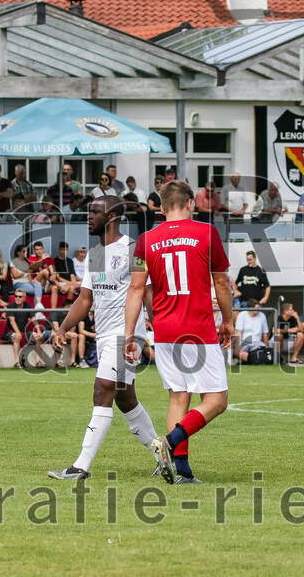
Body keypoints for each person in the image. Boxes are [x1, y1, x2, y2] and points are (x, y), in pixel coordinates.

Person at [125, 181, 234, 485]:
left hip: (164, 331)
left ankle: (181, 471)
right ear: (190, 205)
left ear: (160, 208)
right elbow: (222, 283)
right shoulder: (206, 233)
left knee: (179, 396)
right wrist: (228, 321)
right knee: (217, 400)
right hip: (198, 329)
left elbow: (136, 288)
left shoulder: (145, 241)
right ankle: (170, 442)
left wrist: (129, 333)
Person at [47, 195, 163, 480]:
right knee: (125, 399)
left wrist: (156, 334)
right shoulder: (94, 254)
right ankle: (165, 457)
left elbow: (146, 293)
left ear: (111, 216)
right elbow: (85, 300)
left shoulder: (133, 249)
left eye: (94, 212)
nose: (88, 216)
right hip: (105, 337)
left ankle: (80, 467)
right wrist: (63, 328)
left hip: (126, 337)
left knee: (102, 390)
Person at [4, 289, 47, 368]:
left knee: (39, 337)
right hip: (10, 331)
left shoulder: (28, 306)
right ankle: (17, 362)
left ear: (24, 298)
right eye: (16, 296)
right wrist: (18, 333)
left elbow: (33, 319)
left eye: (20, 296)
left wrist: (38, 331)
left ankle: (38, 361)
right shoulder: (11, 306)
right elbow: (12, 321)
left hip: (24, 331)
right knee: (17, 337)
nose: (17, 298)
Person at [234, 299, 271, 364]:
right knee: (237, 353)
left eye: (259, 308)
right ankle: (254, 360)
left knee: (266, 353)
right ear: (250, 308)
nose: (258, 310)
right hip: (244, 342)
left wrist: (266, 347)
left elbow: (265, 334)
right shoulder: (241, 315)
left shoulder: (262, 315)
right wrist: (239, 346)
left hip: (257, 342)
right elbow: (238, 332)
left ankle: (250, 361)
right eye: (256, 308)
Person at [10, 244, 45, 309]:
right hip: (18, 283)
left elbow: (29, 278)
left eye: (26, 251)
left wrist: (34, 281)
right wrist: (25, 271)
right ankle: (38, 308)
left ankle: (38, 305)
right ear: (18, 253)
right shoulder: (14, 261)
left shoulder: (26, 262)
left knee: (38, 284)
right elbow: (15, 275)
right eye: (24, 251)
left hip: (28, 283)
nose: (26, 252)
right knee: (36, 290)